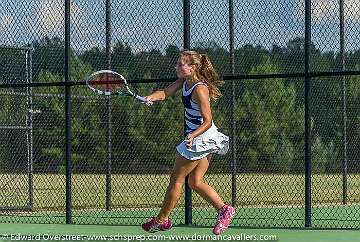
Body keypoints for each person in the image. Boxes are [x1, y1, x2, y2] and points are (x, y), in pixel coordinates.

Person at [141, 50, 235, 235]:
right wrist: (151, 97)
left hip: (201, 137)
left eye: (181, 64)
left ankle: (162, 219)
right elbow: (166, 92)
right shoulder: (185, 82)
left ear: (192, 68)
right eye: (177, 64)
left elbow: (207, 120)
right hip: (203, 138)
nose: (176, 67)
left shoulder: (200, 88)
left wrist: (192, 136)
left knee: (176, 180)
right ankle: (225, 209)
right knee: (195, 182)